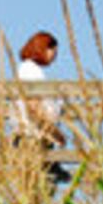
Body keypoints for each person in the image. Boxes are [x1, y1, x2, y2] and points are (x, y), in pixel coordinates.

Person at [12, 30, 68, 185]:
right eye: (53, 51)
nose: (54, 57)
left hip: (38, 135)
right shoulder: (30, 70)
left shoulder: (31, 70)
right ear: (42, 48)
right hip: (32, 136)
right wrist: (54, 132)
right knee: (35, 186)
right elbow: (33, 105)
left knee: (43, 185)